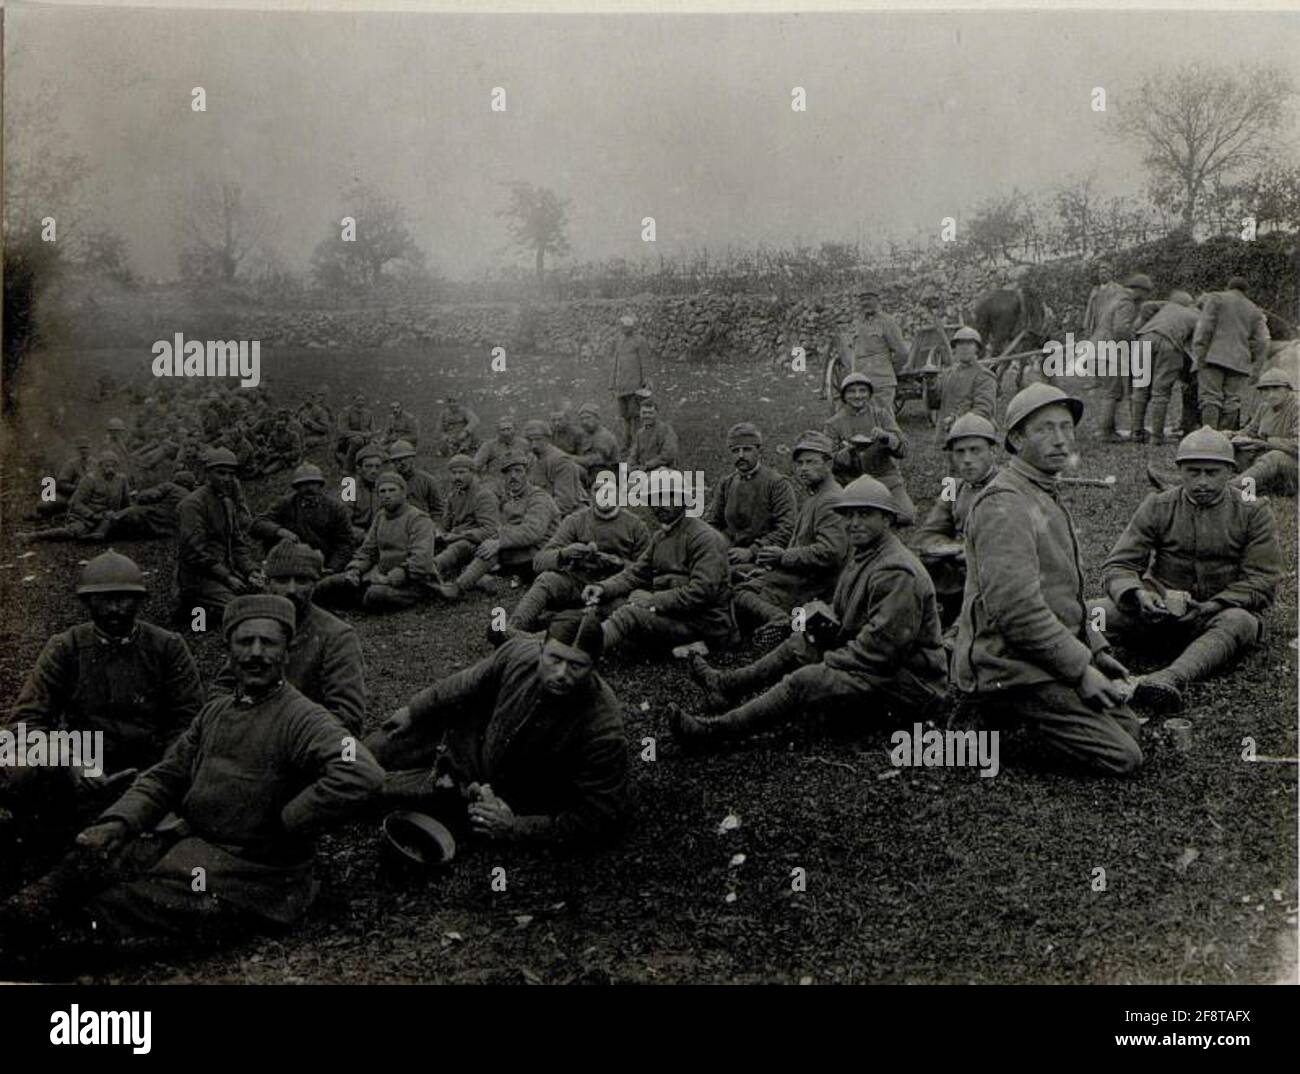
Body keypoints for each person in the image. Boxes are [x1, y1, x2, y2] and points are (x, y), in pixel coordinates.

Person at [3, 595, 381, 951]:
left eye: (268, 643)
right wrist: (117, 823)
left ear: (286, 651)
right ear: (229, 651)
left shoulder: (303, 717)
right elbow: (165, 775)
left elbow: (361, 771)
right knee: (84, 865)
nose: (256, 654)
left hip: (248, 877)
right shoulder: (216, 712)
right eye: (244, 642)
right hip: (192, 845)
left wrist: (290, 820)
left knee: (106, 915)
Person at [950, 384, 1143, 776]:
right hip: (1007, 661)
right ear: (1017, 440)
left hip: (1038, 652)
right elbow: (1017, 612)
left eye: (1066, 428)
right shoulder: (1005, 503)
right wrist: (1080, 670)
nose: (1061, 441)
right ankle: (996, 716)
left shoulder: (1041, 489)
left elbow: (1061, 594)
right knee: (1123, 757)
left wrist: (1097, 650)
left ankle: (1014, 714)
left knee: (1131, 728)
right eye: (1045, 430)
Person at [671, 474, 946, 747]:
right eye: (848, 516)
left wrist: (826, 661)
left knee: (807, 679)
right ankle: (727, 685)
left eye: (865, 515)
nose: (854, 523)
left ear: (887, 519)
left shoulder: (895, 571)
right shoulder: (866, 553)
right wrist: (809, 631)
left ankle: (713, 732)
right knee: (799, 642)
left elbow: (878, 653)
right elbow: (842, 616)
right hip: (886, 671)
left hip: (912, 687)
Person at [365, 610, 628, 849]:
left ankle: (427, 789)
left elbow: (600, 816)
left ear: (594, 666)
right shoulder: (518, 653)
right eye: (554, 658)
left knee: (374, 791)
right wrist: (414, 710)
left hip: (505, 798)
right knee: (370, 749)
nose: (561, 672)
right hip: (465, 744)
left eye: (576, 665)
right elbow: (466, 682)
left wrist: (516, 828)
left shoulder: (603, 728)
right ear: (541, 648)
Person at [1, 551, 202, 826]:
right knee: (14, 762)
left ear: (140, 601)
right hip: (84, 763)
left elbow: (189, 723)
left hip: (151, 764)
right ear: (87, 601)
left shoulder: (168, 646)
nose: (115, 609)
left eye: (124, 598)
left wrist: (160, 774)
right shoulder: (66, 647)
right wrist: (70, 761)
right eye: (104, 599)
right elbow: (24, 723)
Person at [1095, 427, 1279, 712]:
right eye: (1193, 472)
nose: (1202, 482)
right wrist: (1139, 595)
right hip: (1155, 613)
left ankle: (1171, 677)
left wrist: (1212, 606)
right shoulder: (1158, 505)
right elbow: (1119, 564)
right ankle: (1082, 670)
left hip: (1216, 615)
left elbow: (1262, 580)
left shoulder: (1253, 511)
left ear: (1230, 472)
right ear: (1180, 471)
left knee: (1241, 622)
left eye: (1212, 472)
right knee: (1086, 613)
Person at [212, 541, 367, 734]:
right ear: (267, 583)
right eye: (282, 580)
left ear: (315, 584)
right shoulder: (256, 627)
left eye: (302, 580)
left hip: (305, 739)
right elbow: (222, 689)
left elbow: (347, 717)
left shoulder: (337, 636)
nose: (292, 589)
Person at [582, 488, 733, 656]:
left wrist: (653, 600)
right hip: (676, 614)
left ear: (684, 501)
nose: (658, 505)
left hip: (705, 623)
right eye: (653, 499)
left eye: (667, 498)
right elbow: (636, 573)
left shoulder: (704, 537)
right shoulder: (661, 537)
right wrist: (602, 588)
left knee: (628, 615)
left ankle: (580, 654)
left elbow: (703, 592)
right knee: (608, 604)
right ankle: (673, 648)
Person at [730, 430, 848, 643]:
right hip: (803, 576)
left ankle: (783, 620)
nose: (803, 469)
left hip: (814, 585)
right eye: (800, 464)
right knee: (738, 578)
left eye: (811, 462)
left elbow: (831, 552)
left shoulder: (830, 500)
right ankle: (791, 621)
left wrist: (782, 557)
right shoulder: (817, 495)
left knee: (738, 595)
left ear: (828, 464)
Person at [507, 472, 652, 632]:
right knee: (546, 580)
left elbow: (646, 572)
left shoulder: (636, 526)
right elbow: (539, 561)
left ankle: (556, 623)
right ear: (590, 494)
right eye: (597, 489)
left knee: (624, 607)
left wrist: (617, 563)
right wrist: (565, 554)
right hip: (577, 582)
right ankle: (513, 627)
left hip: (615, 589)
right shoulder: (575, 521)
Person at [434, 453, 558, 600]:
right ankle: (435, 572)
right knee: (473, 547)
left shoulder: (539, 498)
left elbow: (533, 531)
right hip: (522, 550)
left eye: (518, 471)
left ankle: (459, 588)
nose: (513, 476)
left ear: (527, 474)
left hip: (541, 554)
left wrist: (499, 542)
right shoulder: (509, 499)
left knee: (490, 550)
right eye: (508, 473)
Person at [915, 413, 1000, 627]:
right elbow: (928, 533)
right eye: (959, 452)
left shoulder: (1007, 487)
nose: (967, 460)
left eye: (975, 450)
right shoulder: (953, 486)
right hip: (955, 569)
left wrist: (970, 550)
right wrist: (951, 548)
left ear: (993, 451)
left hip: (993, 573)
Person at [316, 472, 438, 611]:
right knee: (330, 583)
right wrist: (355, 570)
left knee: (375, 595)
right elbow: (368, 550)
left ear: (404, 493)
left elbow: (421, 559)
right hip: (379, 575)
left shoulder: (418, 519)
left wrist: (390, 578)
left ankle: (351, 602)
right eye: (382, 491)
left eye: (392, 490)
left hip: (412, 580)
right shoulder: (379, 516)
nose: (387, 495)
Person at [175, 447, 264, 621]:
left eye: (231, 474)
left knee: (263, 594)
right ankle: (190, 606)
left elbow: (238, 543)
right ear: (208, 473)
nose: (226, 479)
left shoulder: (227, 503)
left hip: (225, 570)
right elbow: (194, 553)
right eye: (221, 473)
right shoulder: (192, 505)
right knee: (242, 610)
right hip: (200, 576)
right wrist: (227, 577)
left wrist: (250, 570)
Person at [703, 423, 798, 578]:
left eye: (747, 449)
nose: (740, 455)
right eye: (735, 450)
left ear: (759, 451)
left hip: (764, 559)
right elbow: (713, 522)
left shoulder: (777, 483)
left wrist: (752, 551)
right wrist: (719, 545)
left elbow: (787, 528)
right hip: (730, 555)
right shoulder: (727, 483)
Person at [822, 373, 915, 523]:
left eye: (862, 391)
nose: (858, 396)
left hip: (883, 477)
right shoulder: (833, 423)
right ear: (844, 395)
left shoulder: (882, 415)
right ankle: (871, 512)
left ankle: (870, 513)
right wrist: (845, 453)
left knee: (906, 515)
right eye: (851, 391)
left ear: (869, 394)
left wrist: (886, 437)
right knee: (830, 514)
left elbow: (903, 450)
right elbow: (826, 461)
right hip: (850, 481)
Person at [1193, 277, 1270, 431]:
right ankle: (1224, 439)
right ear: (1245, 292)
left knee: (1210, 397)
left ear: (1228, 287)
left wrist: (1199, 354)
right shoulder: (1254, 309)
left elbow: (1205, 327)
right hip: (1240, 362)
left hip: (1213, 357)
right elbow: (1262, 341)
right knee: (1232, 400)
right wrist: (1256, 367)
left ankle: (1209, 437)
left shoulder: (1216, 298)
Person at [250, 462, 356, 574]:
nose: (309, 488)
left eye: (313, 484)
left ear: (320, 485)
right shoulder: (286, 504)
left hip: (323, 564)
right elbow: (257, 524)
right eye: (303, 485)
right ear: (296, 487)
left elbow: (345, 543)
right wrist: (280, 531)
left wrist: (332, 568)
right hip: (290, 561)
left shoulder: (335, 508)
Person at [1089, 272, 1152, 442]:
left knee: (1110, 391)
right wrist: (1134, 345)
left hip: (1098, 349)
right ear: (1139, 290)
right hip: (1107, 351)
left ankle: (1107, 430)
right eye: (1146, 293)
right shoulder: (1127, 303)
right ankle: (1105, 432)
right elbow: (1120, 330)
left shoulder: (1116, 299)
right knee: (1113, 392)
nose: (1145, 298)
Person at [1131, 290, 1199, 444]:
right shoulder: (1194, 314)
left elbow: (1145, 307)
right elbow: (1197, 343)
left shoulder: (1163, 308)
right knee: (1160, 391)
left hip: (1143, 340)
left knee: (1140, 389)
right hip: (1168, 343)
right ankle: (1156, 437)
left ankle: (1136, 432)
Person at [19, 452, 133, 543]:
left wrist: (121, 514)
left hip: (109, 518)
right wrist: (93, 515)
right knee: (72, 532)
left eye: (113, 466)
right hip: (87, 518)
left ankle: (98, 535)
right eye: (107, 465)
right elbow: (75, 503)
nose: (110, 469)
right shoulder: (90, 479)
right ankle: (33, 536)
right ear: (100, 466)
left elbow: (127, 504)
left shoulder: (121, 480)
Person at [832, 283, 908, 413]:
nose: (865, 303)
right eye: (862, 300)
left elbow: (902, 353)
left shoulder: (887, 322)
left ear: (877, 300)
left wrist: (889, 371)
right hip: (861, 385)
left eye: (869, 298)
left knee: (884, 421)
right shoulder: (858, 324)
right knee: (864, 422)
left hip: (881, 384)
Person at [433, 453, 501, 582]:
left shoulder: (483, 495)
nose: (457, 477)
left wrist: (459, 535)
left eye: (462, 472)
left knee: (459, 546)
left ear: (472, 473)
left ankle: (432, 569)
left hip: (476, 545)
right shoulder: (453, 496)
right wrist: (439, 532)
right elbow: (445, 524)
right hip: (455, 540)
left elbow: (490, 531)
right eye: (454, 473)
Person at [1231, 366, 1298, 495]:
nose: (1271, 394)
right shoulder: (1264, 407)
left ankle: (1233, 489)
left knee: (1275, 457)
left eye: (1276, 389)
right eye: (1265, 390)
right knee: (1236, 450)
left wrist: (1265, 443)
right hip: (1266, 459)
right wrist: (1233, 435)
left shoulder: (1296, 408)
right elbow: (1251, 430)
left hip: (1292, 466)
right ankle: (1250, 487)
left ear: (1288, 389)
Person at [933, 326, 997, 444]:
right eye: (960, 344)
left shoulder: (984, 376)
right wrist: (931, 385)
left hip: (973, 436)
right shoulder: (947, 373)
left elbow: (983, 409)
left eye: (969, 344)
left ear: (977, 348)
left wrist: (956, 419)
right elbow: (935, 403)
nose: (964, 347)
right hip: (944, 438)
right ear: (955, 348)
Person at [94, 470, 198, 540]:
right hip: (167, 529)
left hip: (152, 516)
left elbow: (149, 496)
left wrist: (139, 495)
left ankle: (100, 532)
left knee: (125, 514)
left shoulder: (170, 486)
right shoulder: (192, 496)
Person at [523, 419, 590, 517]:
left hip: (570, 517)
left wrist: (537, 515)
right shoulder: (532, 459)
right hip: (544, 512)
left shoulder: (561, 461)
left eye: (538, 439)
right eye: (529, 440)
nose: (533, 445)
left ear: (548, 439)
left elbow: (565, 503)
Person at [610, 313, 655, 449]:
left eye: (626, 326)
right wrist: (612, 383)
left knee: (635, 415)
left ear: (632, 327)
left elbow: (645, 362)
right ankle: (626, 441)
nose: (623, 328)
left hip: (635, 385)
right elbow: (615, 363)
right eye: (622, 326)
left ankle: (638, 442)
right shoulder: (619, 340)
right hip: (621, 385)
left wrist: (646, 380)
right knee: (624, 416)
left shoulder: (640, 341)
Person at [28, 435, 93, 520]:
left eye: (86, 448)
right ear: (77, 450)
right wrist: (77, 488)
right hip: (70, 496)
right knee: (44, 506)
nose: (84, 451)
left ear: (90, 449)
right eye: (81, 448)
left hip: (91, 497)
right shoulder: (71, 464)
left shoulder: (96, 465)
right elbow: (62, 483)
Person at [386, 440, 444, 521]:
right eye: (397, 460)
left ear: (412, 458)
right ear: (393, 463)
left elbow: (438, 510)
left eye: (405, 458)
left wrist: (431, 524)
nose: (402, 462)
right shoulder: (388, 482)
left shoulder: (427, 480)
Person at [627, 398, 680, 472]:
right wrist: (631, 466)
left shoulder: (666, 430)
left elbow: (668, 455)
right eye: (644, 413)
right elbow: (633, 454)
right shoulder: (640, 433)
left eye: (650, 413)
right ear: (640, 414)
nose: (647, 416)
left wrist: (647, 466)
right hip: (644, 472)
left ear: (656, 413)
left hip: (663, 471)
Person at [473, 416, 529, 486]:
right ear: (498, 432)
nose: (506, 433)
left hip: (519, 483)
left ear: (515, 429)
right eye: (503, 430)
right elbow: (475, 466)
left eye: (509, 429)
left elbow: (531, 465)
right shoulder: (489, 446)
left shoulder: (524, 444)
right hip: (496, 484)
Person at [572, 403, 620, 483]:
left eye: (588, 418)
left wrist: (570, 458)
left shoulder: (604, 436)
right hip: (592, 472)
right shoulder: (585, 434)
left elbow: (595, 460)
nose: (584, 422)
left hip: (607, 473)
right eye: (582, 419)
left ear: (597, 418)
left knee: (570, 467)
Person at [348, 444, 386, 543]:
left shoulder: (385, 486)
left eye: (377, 467)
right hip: (356, 538)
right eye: (368, 466)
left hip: (381, 536)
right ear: (359, 469)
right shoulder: (349, 486)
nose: (374, 471)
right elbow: (343, 522)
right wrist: (363, 536)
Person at [335, 392, 375, 473]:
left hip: (366, 439)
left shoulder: (369, 413)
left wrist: (371, 436)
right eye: (358, 400)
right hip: (347, 440)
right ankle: (347, 468)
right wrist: (362, 434)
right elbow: (343, 431)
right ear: (353, 401)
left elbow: (372, 430)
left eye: (363, 400)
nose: (361, 402)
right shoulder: (346, 411)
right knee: (357, 441)